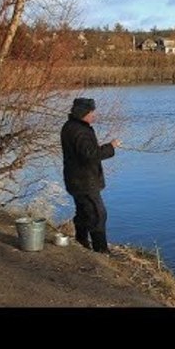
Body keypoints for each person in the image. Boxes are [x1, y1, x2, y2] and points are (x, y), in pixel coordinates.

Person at [60, 97, 121, 254]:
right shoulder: (80, 130)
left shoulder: (70, 126)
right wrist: (110, 147)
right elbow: (90, 155)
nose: (94, 115)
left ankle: (81, 243)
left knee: (83, 212)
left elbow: (85, 152)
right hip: (84, 181)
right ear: (83, 113)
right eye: (92, 112)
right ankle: (101, 251)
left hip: (76, 179)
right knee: (97, 215)